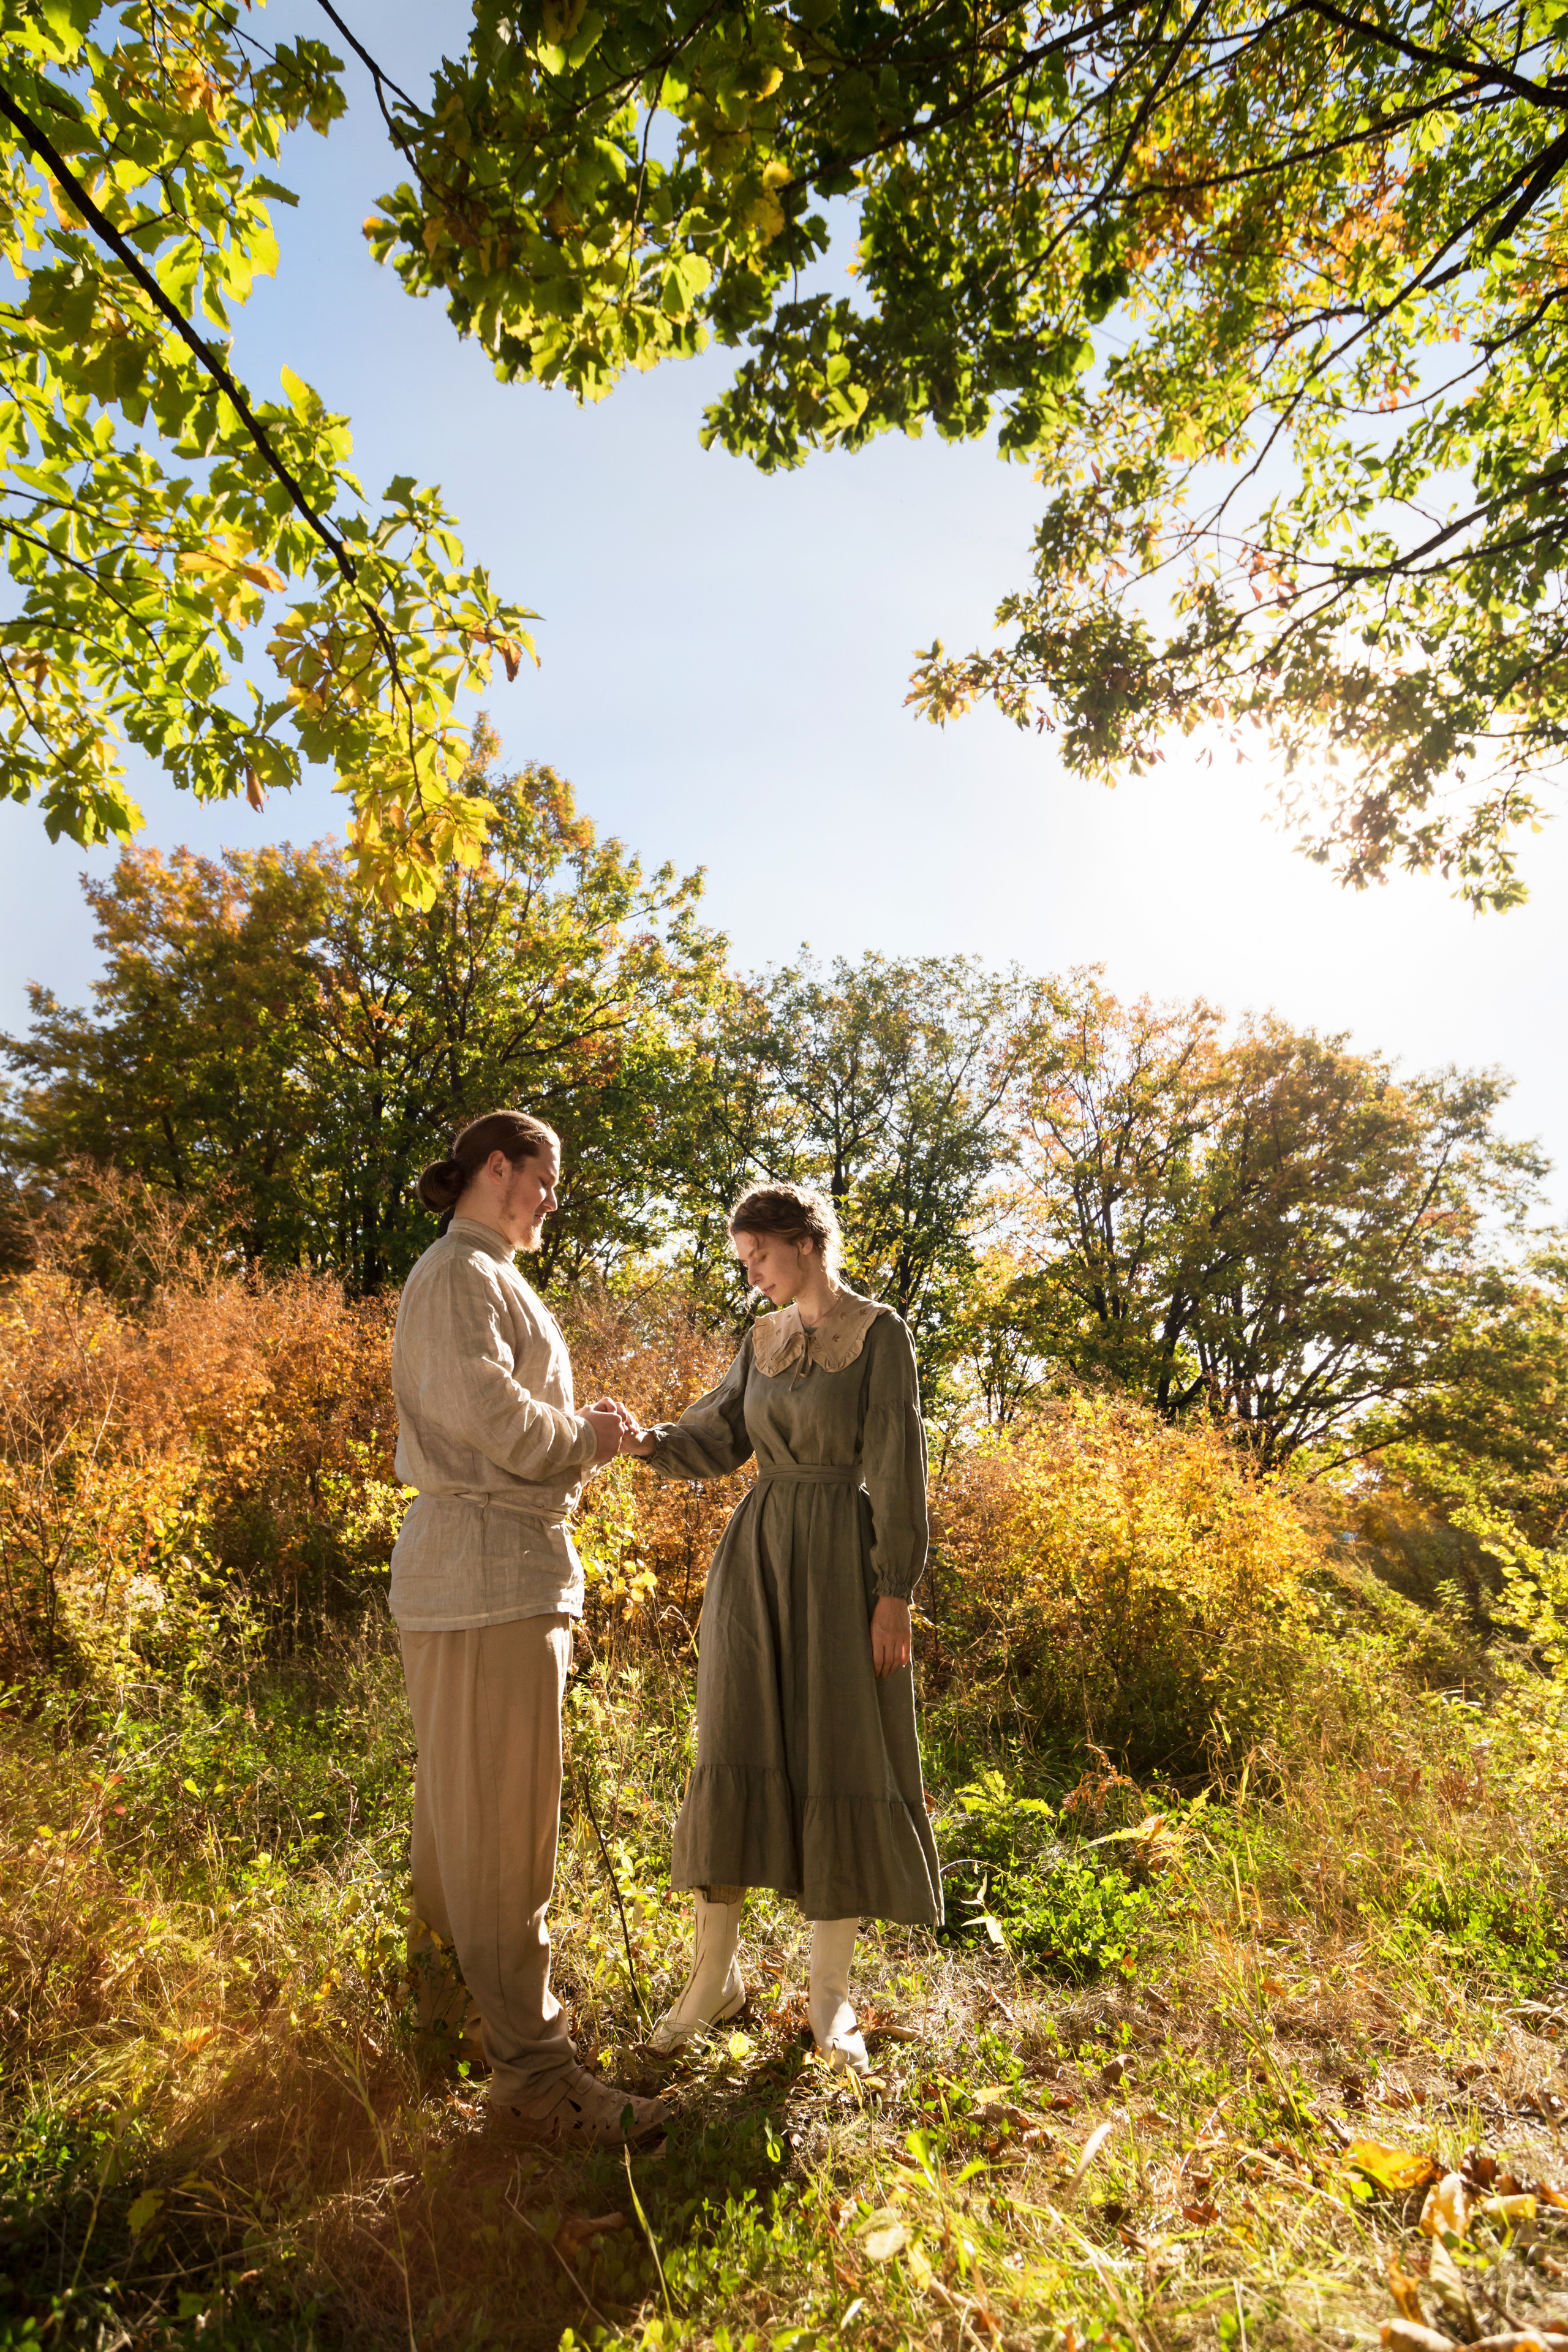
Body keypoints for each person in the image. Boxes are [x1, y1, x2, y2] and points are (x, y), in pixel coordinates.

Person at [389, 1109, 667, 2147]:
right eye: (545, 1179)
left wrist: (575, 1433)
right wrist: (589, 1438)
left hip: (491, 1575)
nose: (553, 1199)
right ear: (496, 1169)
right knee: (505, 1841)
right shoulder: (459, 1275)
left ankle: (444, 2027)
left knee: (456, 1829)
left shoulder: (483, 1277)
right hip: (487, 1578)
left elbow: (500, 1412)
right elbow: (494, 1422)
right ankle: (536, 2079)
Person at [619, 1182, 942, 2071]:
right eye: (744, 1261)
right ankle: (711, 1982)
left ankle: (830, 2003)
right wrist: (649, 1440)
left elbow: (899, 1465)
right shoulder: (759, 1341)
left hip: (844, 1562)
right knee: (733, 1742)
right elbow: (721, 1436)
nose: (752, 1275)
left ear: (805, 1242)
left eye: (759, 1256)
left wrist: (894, 1590)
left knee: (841, 1753)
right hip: (755, 1562)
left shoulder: (881, 1335)